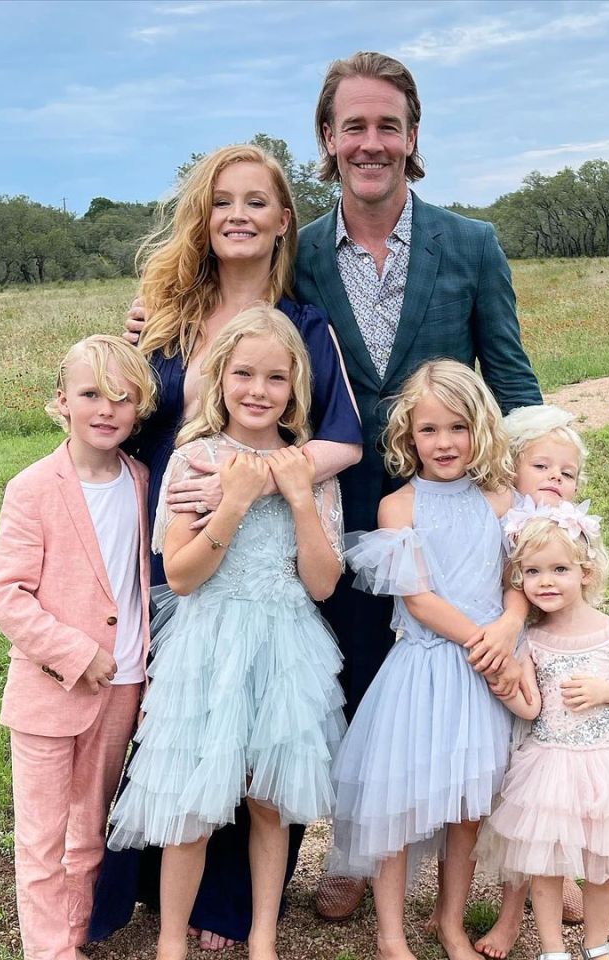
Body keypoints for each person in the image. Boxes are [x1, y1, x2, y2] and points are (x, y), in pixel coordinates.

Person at [124, 52, 543, 925]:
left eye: (388, 125)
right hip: (326, 514)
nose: (371, 142)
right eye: (353, 126)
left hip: (445, 507)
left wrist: (545, 501)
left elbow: (510, 376)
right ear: (328, 139)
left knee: (474, 675)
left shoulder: (471, 245)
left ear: (413, 136)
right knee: (336, 687)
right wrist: (144, 318)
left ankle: (529, 862)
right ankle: (349, 857)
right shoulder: (301, 252)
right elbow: (237, 323)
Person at [88, 145, 362, 952]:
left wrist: (248, 484)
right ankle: (146, 896)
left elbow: (339, 441)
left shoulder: (302, 327)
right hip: (173, 538)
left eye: (257, 201)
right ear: (202, 218)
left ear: (286, 221)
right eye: (221, 201)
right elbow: (121, 411)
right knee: (176, 734)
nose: (237, 215)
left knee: (265, 743)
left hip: (264, 541)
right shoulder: (163, 317)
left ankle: (237, 911)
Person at [106, 306, 347, 960]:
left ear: (295, 385)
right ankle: (170, 940)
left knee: (269, 803)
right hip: (208, 642)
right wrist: (235, 504)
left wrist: (299, 497)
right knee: (192, 801)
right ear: (221, 379)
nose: (258, 390)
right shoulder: (194, 459)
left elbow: (323, 582)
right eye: (244, 374)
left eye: (275, 377)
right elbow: (180, 577)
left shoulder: (307, 468)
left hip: (284, 645)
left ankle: (263, 935)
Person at [328, 360, 530, 960]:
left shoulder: (503, 499)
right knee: (401, 805)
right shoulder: (400, 506)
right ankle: (391, 937)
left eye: (458, 428)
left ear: (481, 429)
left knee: (467, 810)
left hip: (488, 671)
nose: (444, 443)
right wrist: (482, 639)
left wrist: (511, 623)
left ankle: (451, 922)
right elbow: (416, 597)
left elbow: (518, 574)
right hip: (427, 667)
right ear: (408, 437)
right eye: (430, 430)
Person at [0, 335, 158, 960]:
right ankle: (46, 951)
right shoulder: (32, 487)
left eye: (123, 397)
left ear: (139, 410)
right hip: (51, 689)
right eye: (91, 394)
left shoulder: (142, 480)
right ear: (61, 401)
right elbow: (5, 595)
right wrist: (76, 653)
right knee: (41, 837)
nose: (106, 409)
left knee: (89, 831)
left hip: (126, 683)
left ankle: (75, 936)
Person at [467, 404, 609, 954]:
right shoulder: (497, 518)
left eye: (566, 473)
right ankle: (515, 909)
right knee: (518, 800)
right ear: (512, 468)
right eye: (541, 466)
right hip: (511, 651)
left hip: (562, 656)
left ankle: (521, 911)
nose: (554, 479)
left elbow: (585, 591)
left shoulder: (576, 530)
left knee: (547, 798)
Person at [474, 503, 609, 960]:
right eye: (533, 572)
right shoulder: (532, 640)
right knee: (546, 864)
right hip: (550, 765)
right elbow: (532, 707)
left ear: (586, 572)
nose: (546, 581)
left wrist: (605, 690)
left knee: (602, 863)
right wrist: (505, 687)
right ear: (520, 580)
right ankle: (552, 949)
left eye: (559, 569)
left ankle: (598, 944)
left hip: (608, 764)